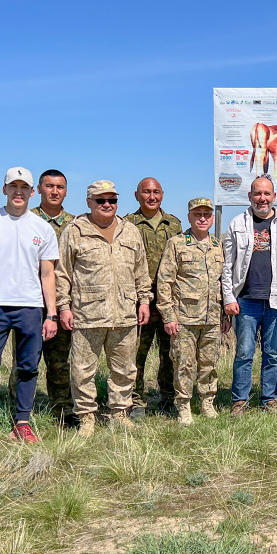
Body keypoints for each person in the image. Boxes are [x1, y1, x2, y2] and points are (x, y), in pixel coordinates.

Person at [0, 167, 59, 451]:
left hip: (30, 307)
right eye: (12, 186)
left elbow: (47, 274)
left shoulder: (42, 228)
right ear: (4, 189)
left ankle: (22, 424)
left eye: (24, 187)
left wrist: (51, 313)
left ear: (33, 192)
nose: (18, 192)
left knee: (28, 368)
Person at [57, 180, 152, 437]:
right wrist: (63, 307)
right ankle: (87, 416)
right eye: (101, 200)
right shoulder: (75, 231)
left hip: (124, 313)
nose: (107, 205)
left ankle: (119, 413)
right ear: (89, 202)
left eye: (112, 200)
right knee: (82, 369)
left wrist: (144, 301)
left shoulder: (130, 231)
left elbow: (141, 271)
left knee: (125, 368)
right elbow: (62, 273)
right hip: (88, 314)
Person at [222, 176, 277, 416]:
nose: (262, 198)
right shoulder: (237, 224)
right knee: (244, 353)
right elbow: (227, 266)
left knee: (272, 354)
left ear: (274, 197)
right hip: (246, 300)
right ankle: (240, 401)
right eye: (257, 194)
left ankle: (269, 399)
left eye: (266, 194)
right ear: (250, 197)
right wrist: (228, 298)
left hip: (275, 301)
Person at [9, 168, 76, 425]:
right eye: (49, 186)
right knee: (25, 359)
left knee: (59, 360)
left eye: (60, 187)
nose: (55, 191)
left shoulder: (76, 223)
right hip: (28, 300)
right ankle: (20, 410)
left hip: (62, 301)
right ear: (38, 190)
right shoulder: (24, 218)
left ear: (66, 191)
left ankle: (63, 409)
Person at [156, 197, 229, 426]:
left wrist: (225, 316)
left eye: (207, 214)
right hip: (184, 318)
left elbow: (223, 282)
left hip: (212, 317)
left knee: (209, 363)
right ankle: (184, 404)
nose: (202, 218)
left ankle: (207, 401)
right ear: (189, 216)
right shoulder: (177, 243)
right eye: (197, 214)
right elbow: (164, 281)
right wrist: (168, 316)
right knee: (183, 364)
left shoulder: (218, 245)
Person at [123, 177, 184, 416]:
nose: (151, 197)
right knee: (136, 352)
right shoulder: (127, 224)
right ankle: (135, 399)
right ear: (136, 195)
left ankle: (168, 398)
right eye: (146, 192)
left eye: (156, 192)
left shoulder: (174, 224)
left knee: (169, 353)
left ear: (162, 195)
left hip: (168, 301)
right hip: (138, 302)